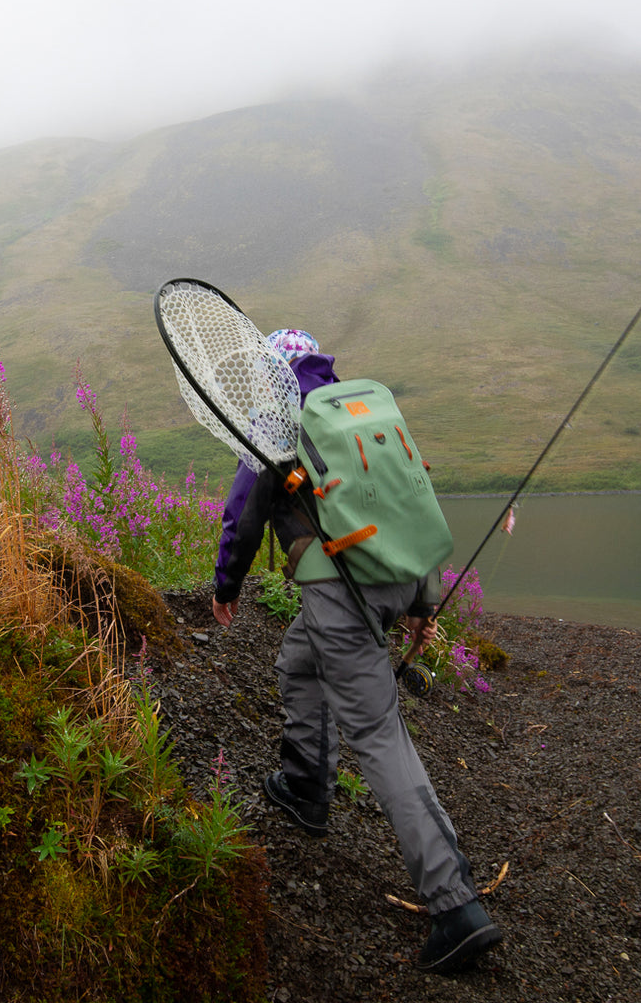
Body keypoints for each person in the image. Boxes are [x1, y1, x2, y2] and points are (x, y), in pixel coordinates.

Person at [211, 328, 502, 975]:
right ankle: (306, 785)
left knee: (377, 731)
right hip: (396, 575)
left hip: (342, 588)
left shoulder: (276, 420)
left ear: (271, 373)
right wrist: (425, 603)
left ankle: (455, 906)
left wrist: (225, 586)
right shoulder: (357, 410)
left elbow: (244, 511)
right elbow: (410, 504)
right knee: (299, 659)